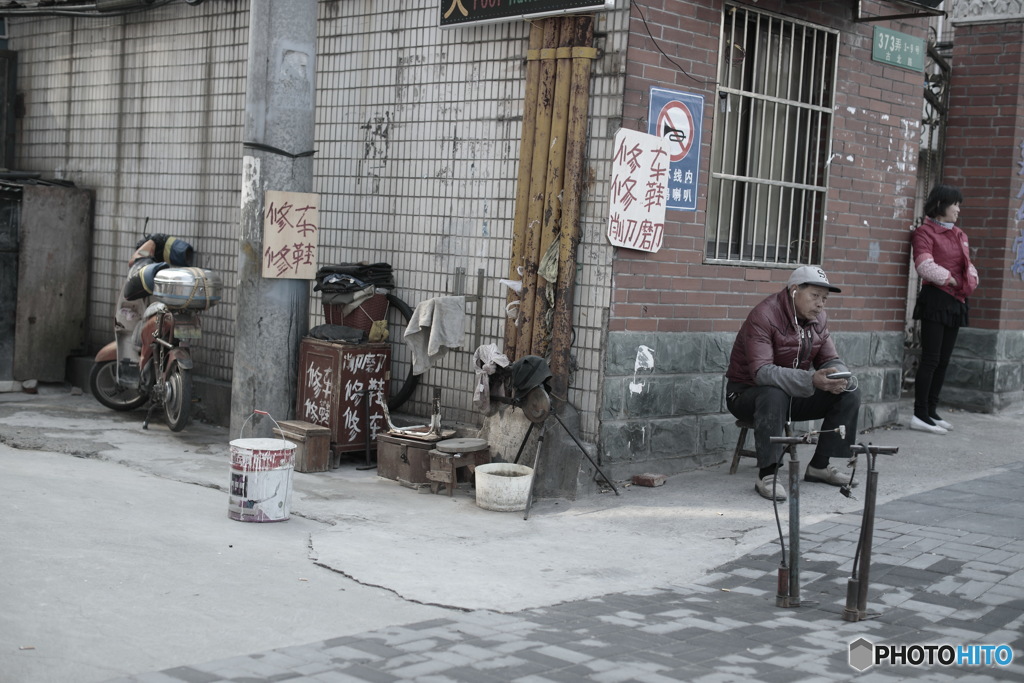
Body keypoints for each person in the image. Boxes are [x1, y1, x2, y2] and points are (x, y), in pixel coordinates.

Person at [725, 266, 860, 501]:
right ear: (794, 290)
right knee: (773, 393)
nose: (820, 304)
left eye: (824, 298)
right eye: (815, 296)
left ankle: (819, 466)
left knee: (849, 392)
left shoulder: (818, 319)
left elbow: (829, 358)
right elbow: (762, 373)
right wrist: (811, 379)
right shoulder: (764, 315)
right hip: (746, 395)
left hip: (791, 394)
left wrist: (837, 375)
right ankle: (768, 474)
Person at [909, 184, 978, 435]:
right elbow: (924, 265)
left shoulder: (959, 234)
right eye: (955, 204)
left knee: (944, 360)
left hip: (956, 302)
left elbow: (967, 265)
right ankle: (919, 414)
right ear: (940, 205)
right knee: (931, 358)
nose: (958, 209)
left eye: (959, 205)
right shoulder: (924, 232)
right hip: (936, 300)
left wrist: (972, 279)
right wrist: (952, 280)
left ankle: (932, 411)